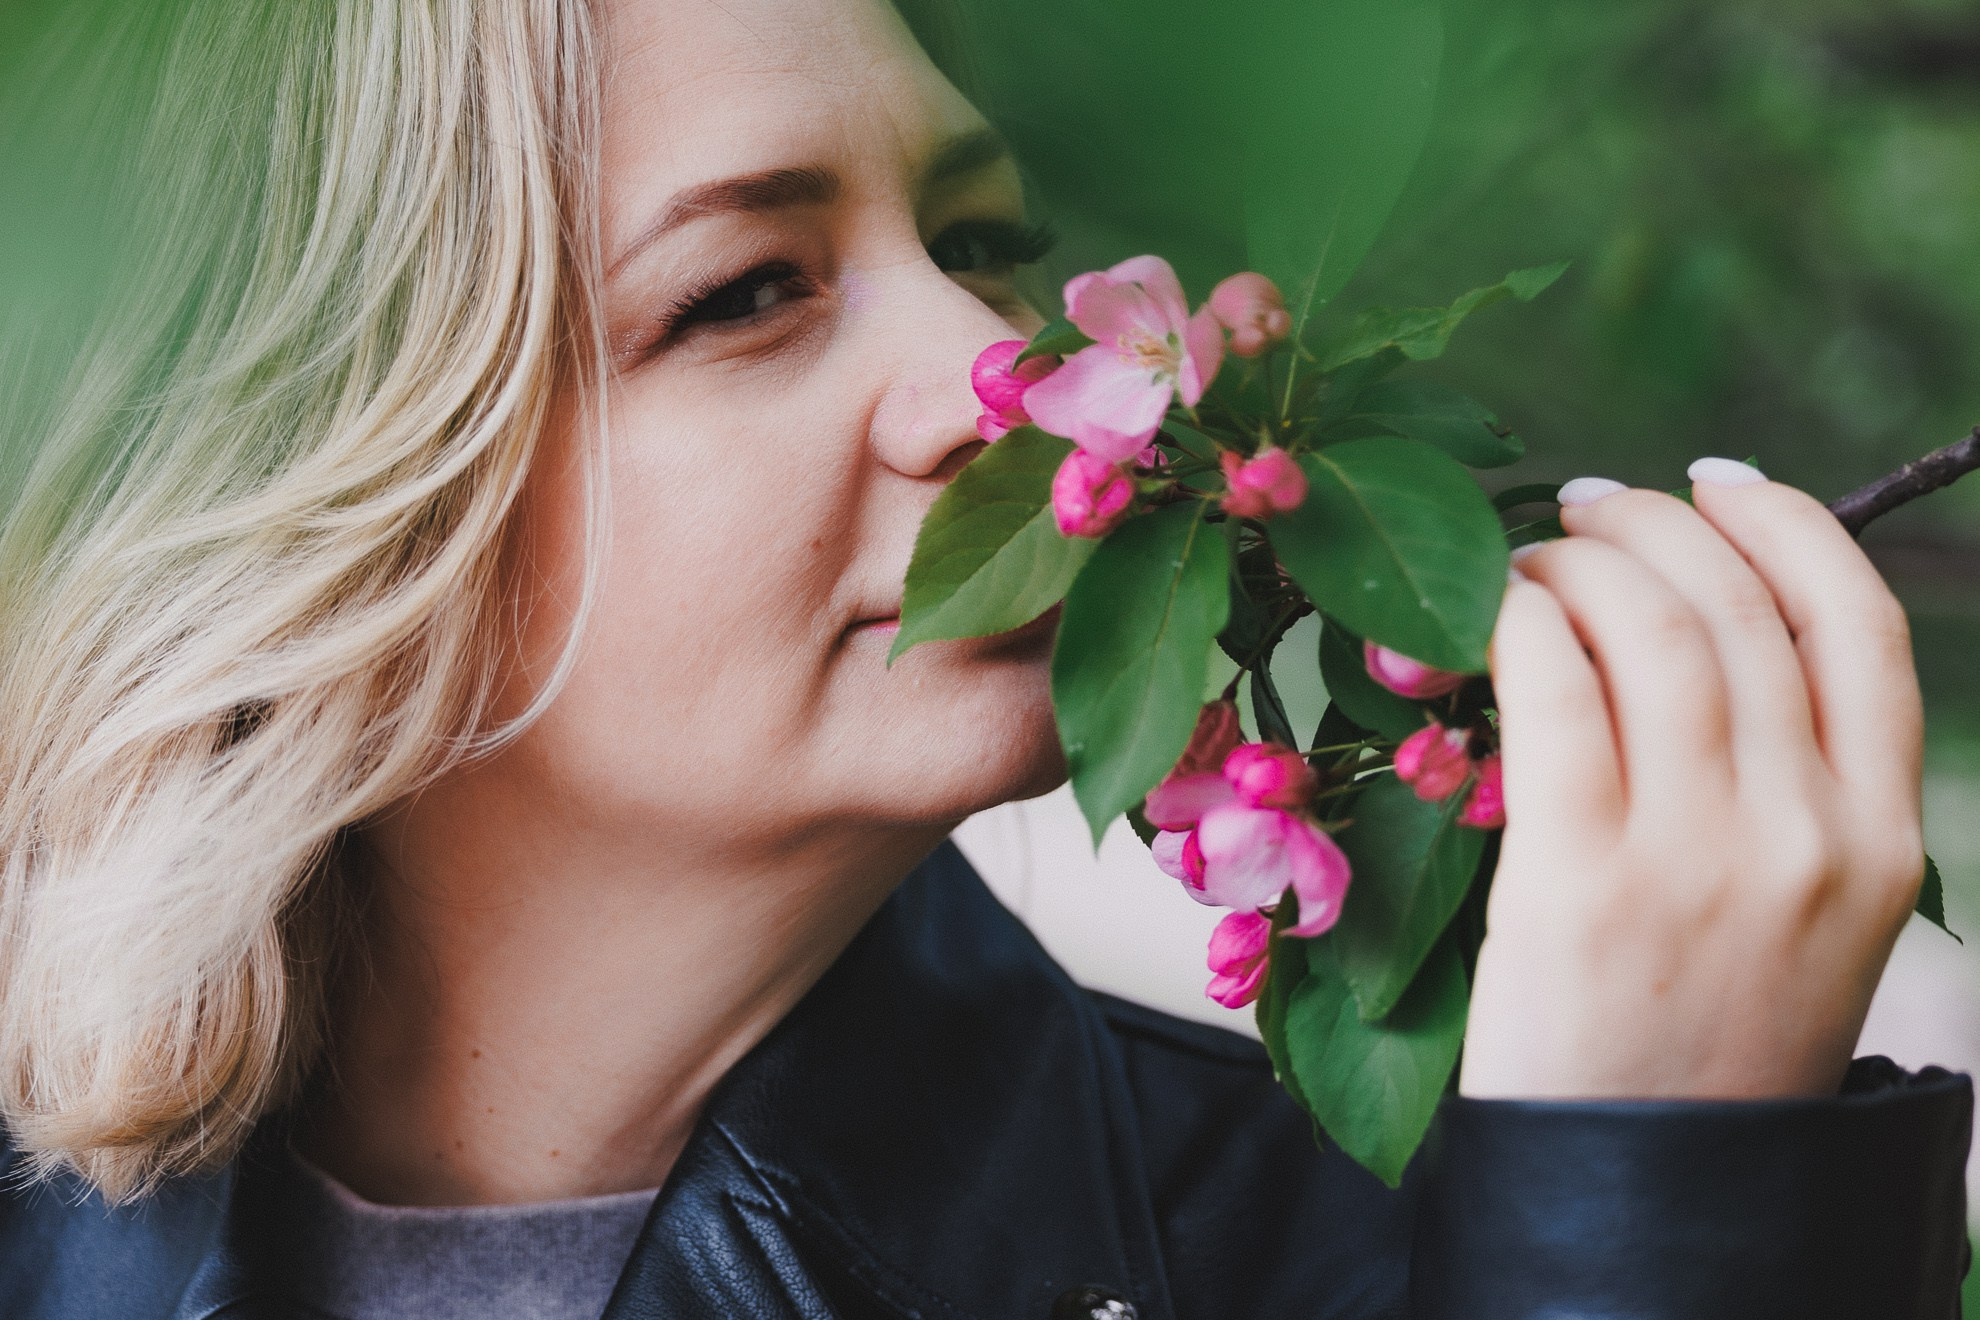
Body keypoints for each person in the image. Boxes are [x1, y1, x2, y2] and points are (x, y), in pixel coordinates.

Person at [0, 0, 1968, 1316]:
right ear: (301, 492)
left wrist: (1672, 1216)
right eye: (747, 291)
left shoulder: (1361, 1250)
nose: (1002, 383)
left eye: (980, 243)